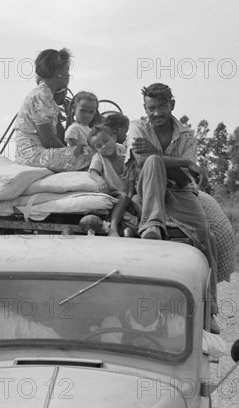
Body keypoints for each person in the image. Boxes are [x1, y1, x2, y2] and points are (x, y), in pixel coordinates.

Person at [126, 83, 220, 333]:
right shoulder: (137, 127)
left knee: (205, 236)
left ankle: (209, 310)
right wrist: (185, 162)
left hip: (178, 191)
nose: (157, 113)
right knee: (154, 162)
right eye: (151, 108)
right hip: (148, 186)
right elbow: (144, 161)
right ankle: (152, 224)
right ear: (145, 108)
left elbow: (182, 179)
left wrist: (164, 158)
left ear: (172, 105)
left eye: (162, 107)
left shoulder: (187, 135)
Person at [14, 48, 92, 172]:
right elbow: (49, 141)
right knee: (90, 153)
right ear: (59, 72)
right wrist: (70, 152)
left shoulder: (48, 97)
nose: (68, 76)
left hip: (42, 153)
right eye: (66, 71)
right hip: (33, 156)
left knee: (86, 151)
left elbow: (59, 139)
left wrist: (69, 116)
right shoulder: (41, 95)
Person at [99, 300, 227, 359]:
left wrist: (163, 343)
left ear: (161, 300)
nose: (146, 301)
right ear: (132, 298)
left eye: (153, 295)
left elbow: (220, 347)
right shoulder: (113, 323)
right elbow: (109, 361)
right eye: (141, 295)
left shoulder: (173, 322)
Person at [88, 125, 139, 237]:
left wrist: (129, 200)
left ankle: (146, 226)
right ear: (96, 149)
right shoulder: (99, 157)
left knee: (136, 201)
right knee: (123, 197)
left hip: (128, 194)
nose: (104, 146)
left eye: (106, 140)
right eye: (99, 146)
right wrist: (100, 180)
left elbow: (131, 185)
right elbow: (93, 172)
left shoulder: (127, 156)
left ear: (114, 138)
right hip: (113, 193)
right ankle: (113, 227)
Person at [65, 91, 98, 157]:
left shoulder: (90, 130)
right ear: (74, 109)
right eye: (83, 111)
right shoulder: (74, 128)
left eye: (91, 112)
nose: (87, 115)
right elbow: (75, 148)